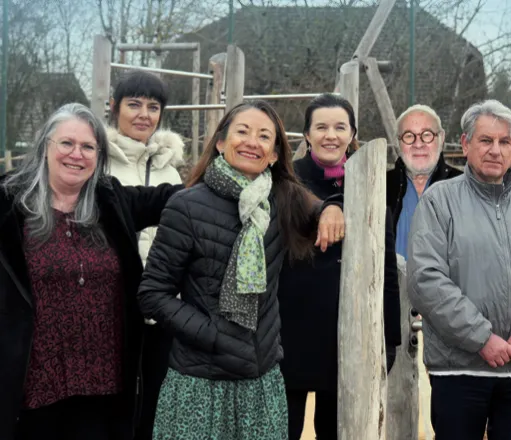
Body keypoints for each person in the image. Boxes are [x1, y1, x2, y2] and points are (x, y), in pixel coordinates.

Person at [138, 100, 346, 439]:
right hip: (198, 382)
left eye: (265, 136)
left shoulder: (284, 199)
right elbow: (152, 294)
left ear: (275, 153)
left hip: (260, 383)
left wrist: (333, 209)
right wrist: (210, 334)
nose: (252, 142)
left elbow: (323, 206)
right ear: (220, 142)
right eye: (243, 132)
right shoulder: (186, 206)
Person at [0, 103, 181, 439]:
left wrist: (309, 205)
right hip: (32, 390)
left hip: (105, 388)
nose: (76, 155)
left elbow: (179, 197)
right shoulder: (9, 205)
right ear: (45, 148)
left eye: (88, 147)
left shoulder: (111, 202)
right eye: (66, 143)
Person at [408, 99, 511, 439]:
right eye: (486, 140)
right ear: (466, 144)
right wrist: (481, 338)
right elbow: (426, 279)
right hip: (459, 368)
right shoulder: (440, 201)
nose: (495, 150)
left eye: (505, 141)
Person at [277, 94, 402, 439]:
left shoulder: (372, 182)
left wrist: (389, 338)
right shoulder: (286, 180)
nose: (330, 135)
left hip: (347, 335)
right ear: (306, 135)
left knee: (337, 431)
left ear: (352, 133)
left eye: (339, 127)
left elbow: (386, 269)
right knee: (281, 429)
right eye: (321, 127)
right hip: (290, 332)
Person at [103, 70, 187, 440]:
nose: (143, 114)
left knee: (158, 402)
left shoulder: (171, 168)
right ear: (114, 108)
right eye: (133, 104)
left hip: (165, 304)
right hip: (112, 305)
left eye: (153, 107)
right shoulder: (96, 161)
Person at [388, 104, 462, 263]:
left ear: (441, 138)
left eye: (427, 135)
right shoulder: (381, 186)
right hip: (390, 286)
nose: (418, 144)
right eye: (409, 136)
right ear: (398, 142)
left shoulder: (463, 187)